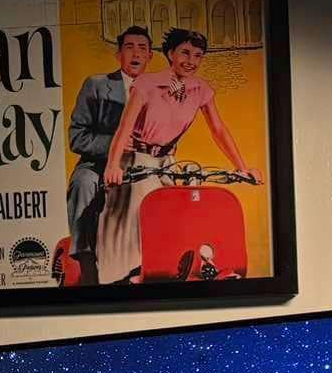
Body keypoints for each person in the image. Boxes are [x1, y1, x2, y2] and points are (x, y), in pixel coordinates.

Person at [94, 29, 258, 282]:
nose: (191, 61)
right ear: (170, 53)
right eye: (185, 53)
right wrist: (113, 166)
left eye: (197, 55)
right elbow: (124, 128)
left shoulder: (200, 89)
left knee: (181, 216)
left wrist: (242, 167)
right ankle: (126, 278)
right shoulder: (147, 84)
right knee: (143, 217)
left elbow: (218, 129)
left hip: (168, 163)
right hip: (136, 160)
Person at [65, 25, 153, 283]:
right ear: (118, 54)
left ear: (150, 56)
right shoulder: (97, 85)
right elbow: (77, 137)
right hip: (99, 163)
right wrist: (116, 144)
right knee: (83, 184)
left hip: (144, 165)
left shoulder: (160, 89)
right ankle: (86, 264)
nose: (136, 53)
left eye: (142, 48)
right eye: (129, 47)